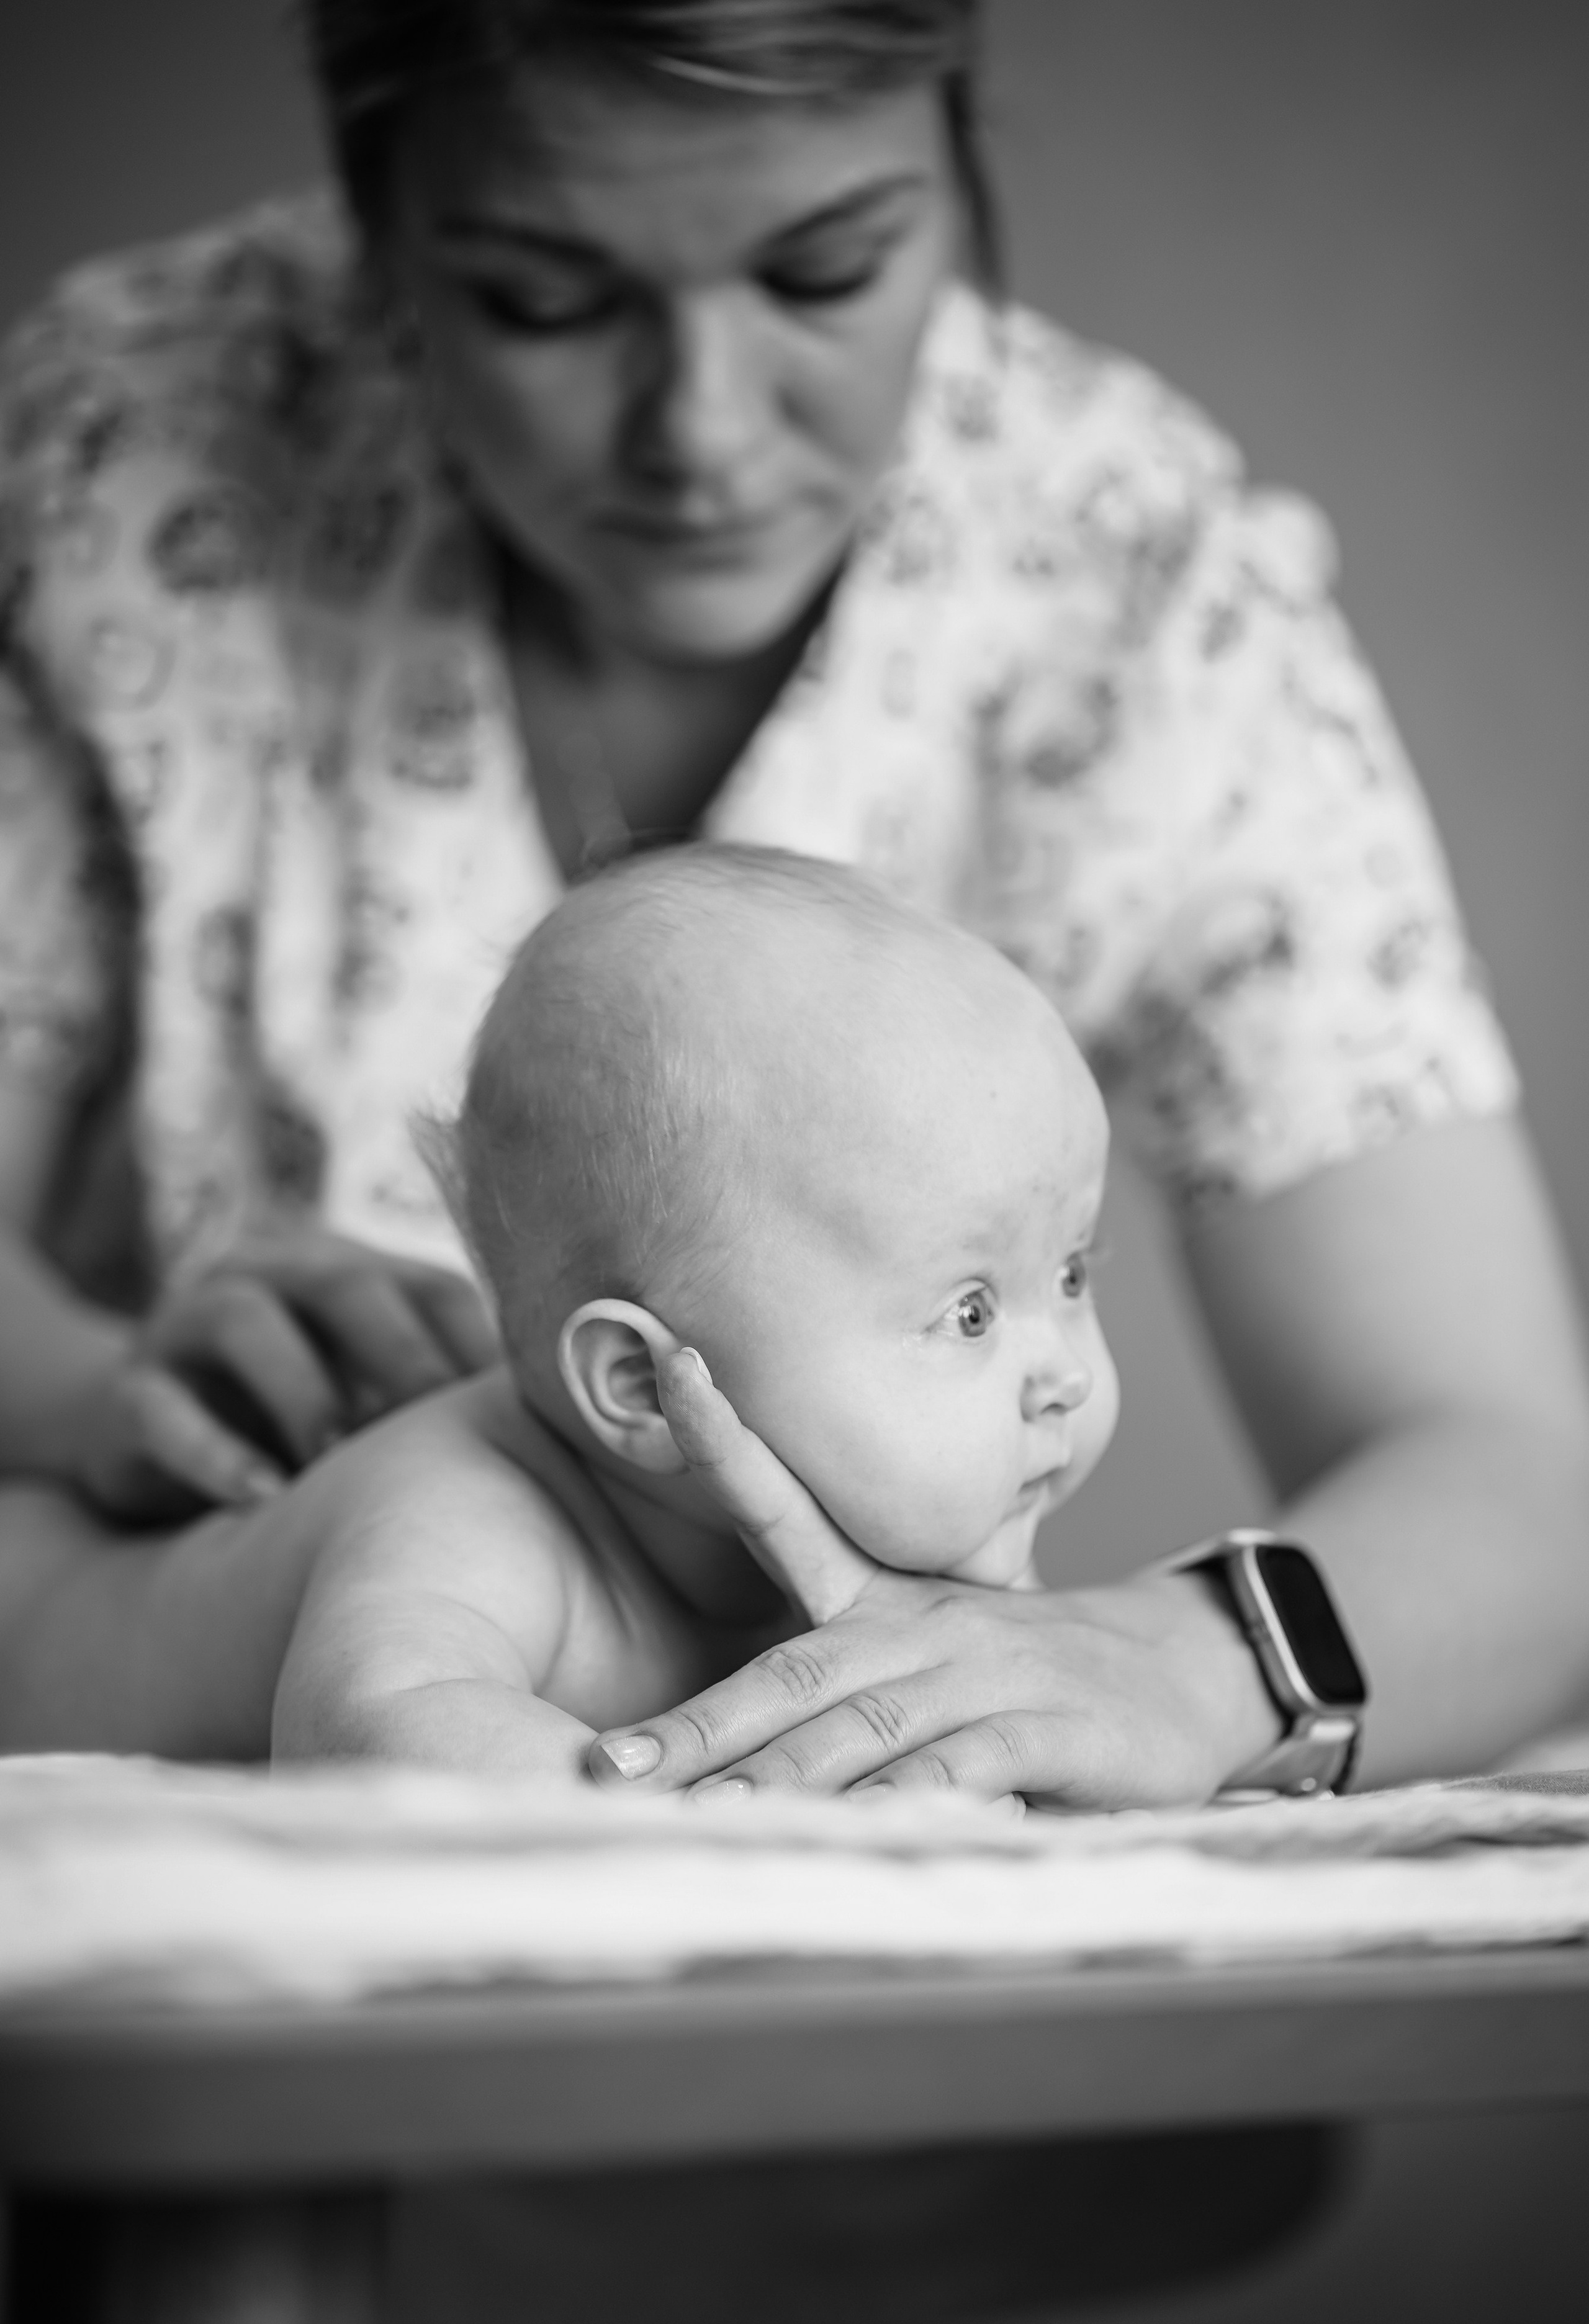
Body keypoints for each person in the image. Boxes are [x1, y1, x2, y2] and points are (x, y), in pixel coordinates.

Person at [2, 0, 1588, 1801]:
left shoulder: (1127, 571)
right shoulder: (124, 456)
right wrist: (89, 1386)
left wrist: (1185, 1663)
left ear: (958, 155)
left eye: (825, 271)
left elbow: (1513, 1472)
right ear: (373, 231)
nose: (702, 429)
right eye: (545, 297)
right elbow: (403, 1748)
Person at [271, 843, 1133, 1773]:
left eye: (1072, 1276)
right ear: (645, 1385)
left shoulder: (937, 1549)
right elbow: (372, 1732)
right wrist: (722, 1827)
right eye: (970, 1312)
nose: (1068, 1378)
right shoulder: (474, 1517)